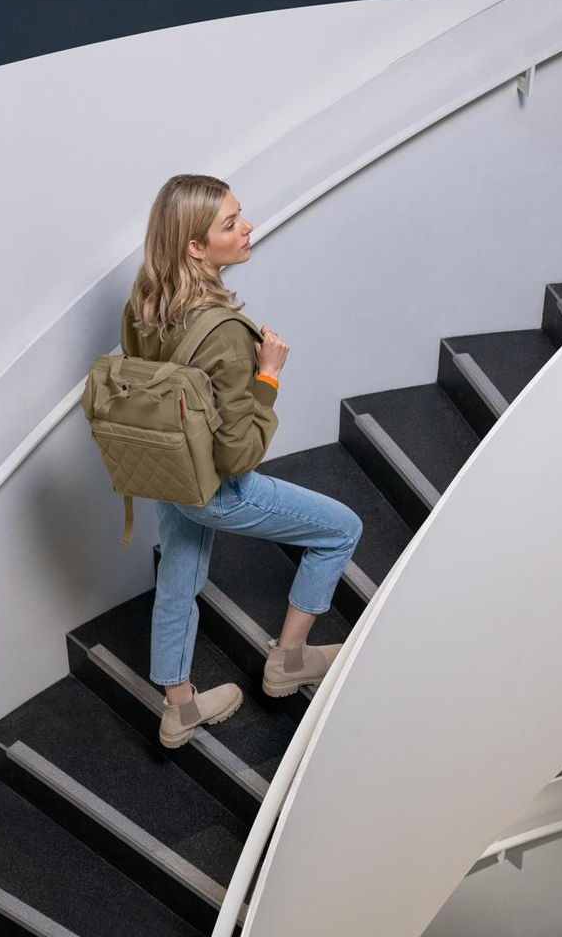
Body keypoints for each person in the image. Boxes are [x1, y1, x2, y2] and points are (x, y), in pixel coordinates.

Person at [120, 173, 363, 749]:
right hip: (216, 487)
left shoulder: (142, 304)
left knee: (178, 577)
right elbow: (238, 455)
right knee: (341, 530)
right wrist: (268, 375)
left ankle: (180, 709)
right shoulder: (225, 334)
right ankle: (290, 662)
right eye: (230, 224)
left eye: (239, 215)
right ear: (194, 247)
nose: (247, 226)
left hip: (169, 473)